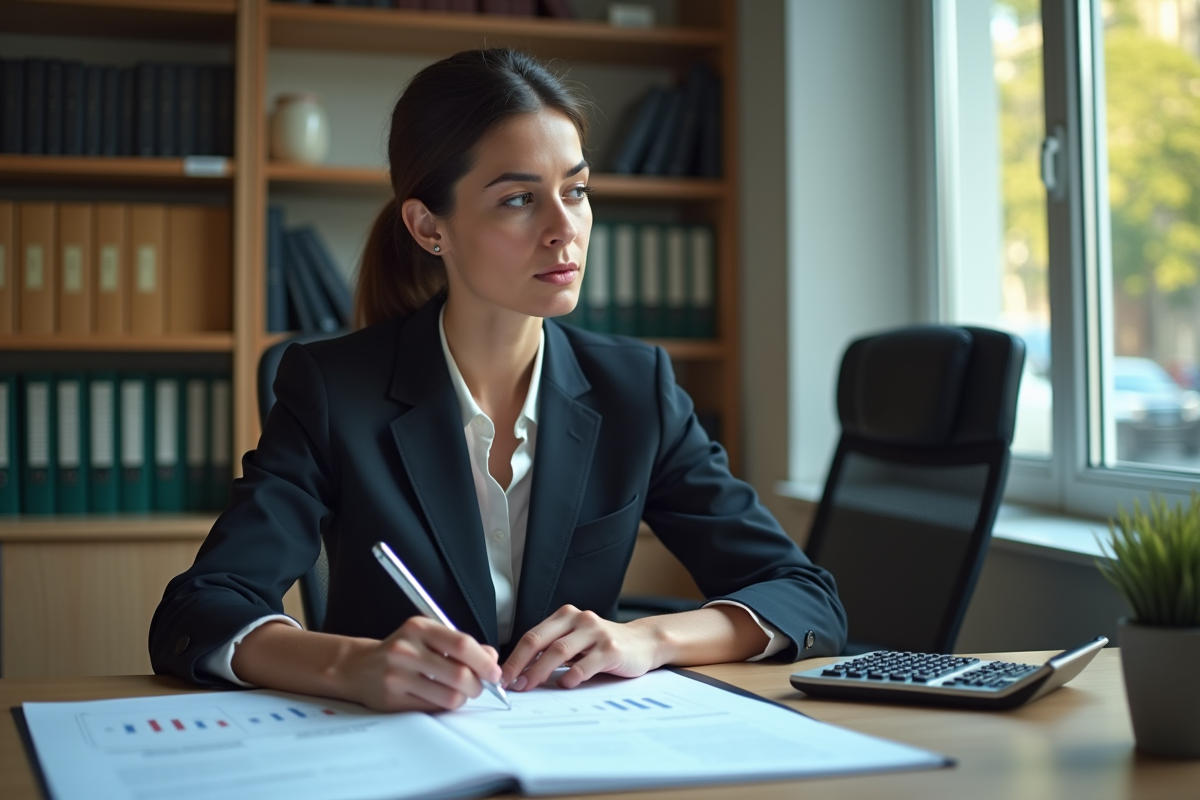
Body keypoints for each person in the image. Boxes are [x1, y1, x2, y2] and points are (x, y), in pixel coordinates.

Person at [149, 48, 846, 713]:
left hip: (581, 749)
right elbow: (200, 610)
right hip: (395, 748)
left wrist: (648, 639)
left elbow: (803, 596)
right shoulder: (334, 389)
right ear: (429, 227)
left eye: (576, 190)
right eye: (519, 199)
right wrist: (348, 664)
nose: (563, 228)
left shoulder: (637, 388)